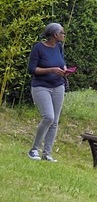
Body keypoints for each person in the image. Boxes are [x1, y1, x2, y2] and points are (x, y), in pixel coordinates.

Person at [28, 22, 72, 162]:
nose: (64, 35)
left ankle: (47, 154)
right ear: (55, 34)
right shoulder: (38, 48)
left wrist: (64, 70)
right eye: (62, 33)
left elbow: (61, 62)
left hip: (58, 86)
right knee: (48, 117)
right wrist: (52, 70)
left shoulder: (58, 46)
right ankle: (34, 149)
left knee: (55, 121)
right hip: (41, 87)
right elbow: (32, 69)